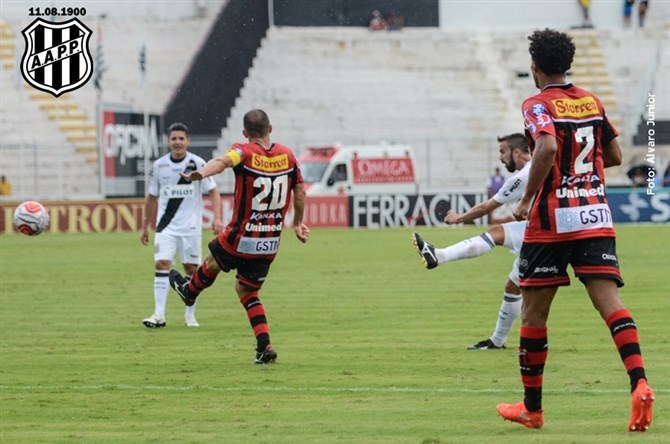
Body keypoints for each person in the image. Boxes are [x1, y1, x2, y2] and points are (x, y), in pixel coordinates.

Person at [496, 28, 654, 432]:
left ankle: (532, 409)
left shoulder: (536, 104)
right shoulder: (591, 100)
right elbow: (614, 153)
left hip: (552, 221)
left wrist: (528, 198)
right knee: (611, 305)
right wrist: (583, 175)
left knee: (534, 313)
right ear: (567, 65)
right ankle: (639, 383)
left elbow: (546, 147)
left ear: (535, 67)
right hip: (595, 215)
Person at [168, 109, 310, 364]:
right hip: (270, 241)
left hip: (242, 234)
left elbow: (222, 162)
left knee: (213, 260)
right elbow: (299, 190)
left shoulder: (243, 151)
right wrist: (298, 223)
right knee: (247, 290)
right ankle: (264, 346)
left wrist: (200, 174)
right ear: (271, 129)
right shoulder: (288, 156)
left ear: (245, 134)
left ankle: (190, 291)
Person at [412, 133, 531, 350]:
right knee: (513, 287)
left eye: (503, 151)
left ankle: (439, 256)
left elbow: (487, 207)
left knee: (495, 234)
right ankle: (497, 341)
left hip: (549, 233)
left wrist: (460, 218)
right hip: (559, 227)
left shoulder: (523, 176)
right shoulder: (542, 167)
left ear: (516, 152)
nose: (500, 158)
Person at [140, 122, 223, 329]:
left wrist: (217, 218)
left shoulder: (198, 163)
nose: (177, 143)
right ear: (168, 141)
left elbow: (213, 190)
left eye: (181, 139)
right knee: (161, 264)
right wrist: (144, 226)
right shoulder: (159, 166)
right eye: (174, 139)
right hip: (165, 227)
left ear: (188, 141)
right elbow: (151, 197)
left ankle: (190, 316)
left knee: (191, 269)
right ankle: (159, 314)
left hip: (191, 228)